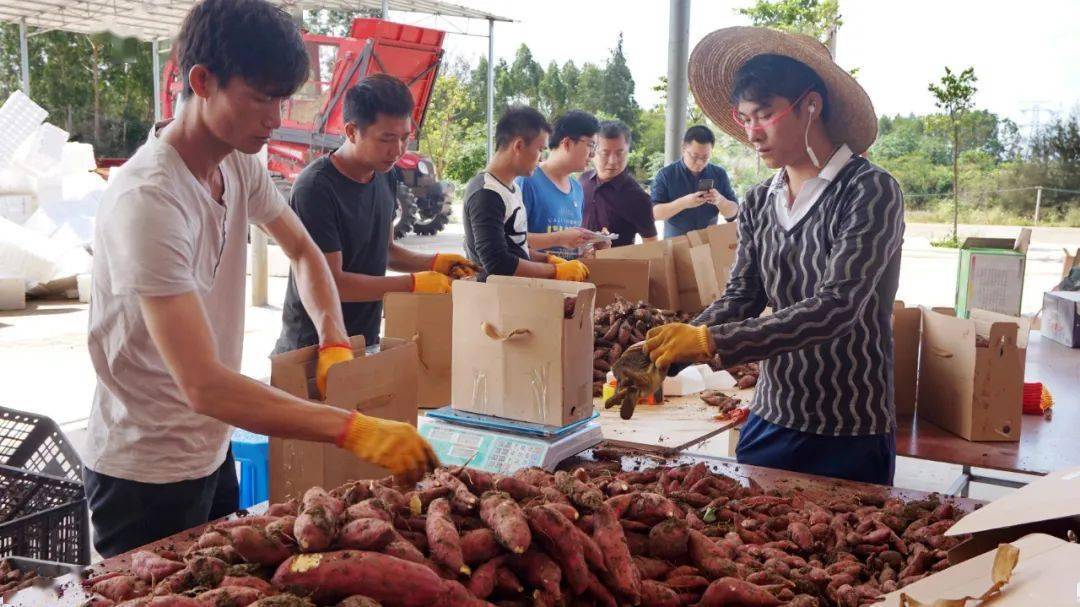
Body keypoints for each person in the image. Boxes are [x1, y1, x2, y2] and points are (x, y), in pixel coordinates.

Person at [83, 0, 436, 558]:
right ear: (202, 81)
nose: (275, 118)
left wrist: (334, 338)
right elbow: (202, 384)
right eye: (260, 97)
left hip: (211, 446)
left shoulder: (237, 162)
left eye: (282, 99)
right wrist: (352, 429)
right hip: (143, 471)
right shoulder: (149, 198)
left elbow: (304, 251)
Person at [643, 28, 904, 485]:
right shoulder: (761, 199)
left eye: (764, 115)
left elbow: (836, 308)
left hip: (849, 427)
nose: (751, 132)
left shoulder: (870, 190)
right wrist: (673, 351)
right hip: (773, 416)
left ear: (810, 105)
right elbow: (742, 295)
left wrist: (712, 343)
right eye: (744, 118)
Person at [275, 74, 475, 353]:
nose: (397, 150)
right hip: (314, 347)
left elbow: (387, 250)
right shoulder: (316, 188)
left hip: (363, 340)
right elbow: (332, 282)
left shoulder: (386, 175)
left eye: (405, 138)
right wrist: (413, 284)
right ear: (352, 131)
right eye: (386, 139)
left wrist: (434, 263)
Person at [463, 106, 589, 282]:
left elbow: (516, 246)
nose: (540, 158)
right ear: (519, 146)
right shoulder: (486, 193)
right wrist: (554, 270)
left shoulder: (511, 188)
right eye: (539, 149)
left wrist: (547, 259)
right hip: (494, 301)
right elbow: (497, 263)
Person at [517, 110, 601, 259]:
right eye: (591, 145)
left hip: (569, 279)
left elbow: (572, 249)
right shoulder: (527, 180)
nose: (593, 154)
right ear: (567, 143)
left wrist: (590, 245)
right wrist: (559, 238)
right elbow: (511, 241)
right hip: (534, 280)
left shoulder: (577, 188)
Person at [651, 125, 739, 238]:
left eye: (705, 157)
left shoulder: (719, 174)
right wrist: (683, 203)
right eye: (694, 156)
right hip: (676, 244)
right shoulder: (666, 175)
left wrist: (720, 200)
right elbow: (655, 214)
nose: (700, 162)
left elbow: (733, 214)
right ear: (683, 149)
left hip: (710, 243)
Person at [580, 120, 658, 247]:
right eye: (605, 153)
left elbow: (651, 245)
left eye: (619, 153)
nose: (612, 161)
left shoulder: (638, 197)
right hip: (575, 264)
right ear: (593, 152)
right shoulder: (583, 181)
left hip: (616, 265)